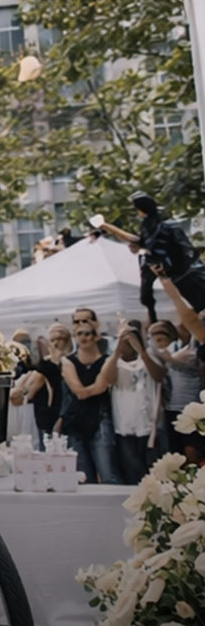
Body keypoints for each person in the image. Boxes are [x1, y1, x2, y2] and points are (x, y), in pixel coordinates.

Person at [95, 192, 205, 319]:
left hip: (187, 273)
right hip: (182, 274)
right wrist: (107, 226)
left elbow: (144, 242)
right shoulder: (153, 226)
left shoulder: (162, 228)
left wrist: (107, 226)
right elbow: (140, 242)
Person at [59, 319, 121, 485]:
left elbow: (103, 385)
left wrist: (92, 389)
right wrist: (93, 388)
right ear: (75, 337)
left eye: (88, 333)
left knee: (108, 474)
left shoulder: (107, 360)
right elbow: (79, 391)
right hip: (75, 421)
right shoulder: (68, 361)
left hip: (100, 419)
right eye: (80, 334)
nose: (84, 337)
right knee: (83, 477)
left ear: (95, 337)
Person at [109, 319, 166, 483]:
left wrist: (142, 352)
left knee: (152, 470)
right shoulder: (114, 362)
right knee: (132, 471)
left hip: (149, 426)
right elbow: (107, 379)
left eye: (131, 340)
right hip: (124, 426)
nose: (128, 344)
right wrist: (117, 351)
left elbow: (159, 375)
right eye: (124, 341)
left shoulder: (149, 358)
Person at [150, 319, 204, 462]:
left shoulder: (193, 349)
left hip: (191, 406)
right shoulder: (173, 348)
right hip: (170, 406)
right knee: (176, 450)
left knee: (192, 448)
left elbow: (173, 360)